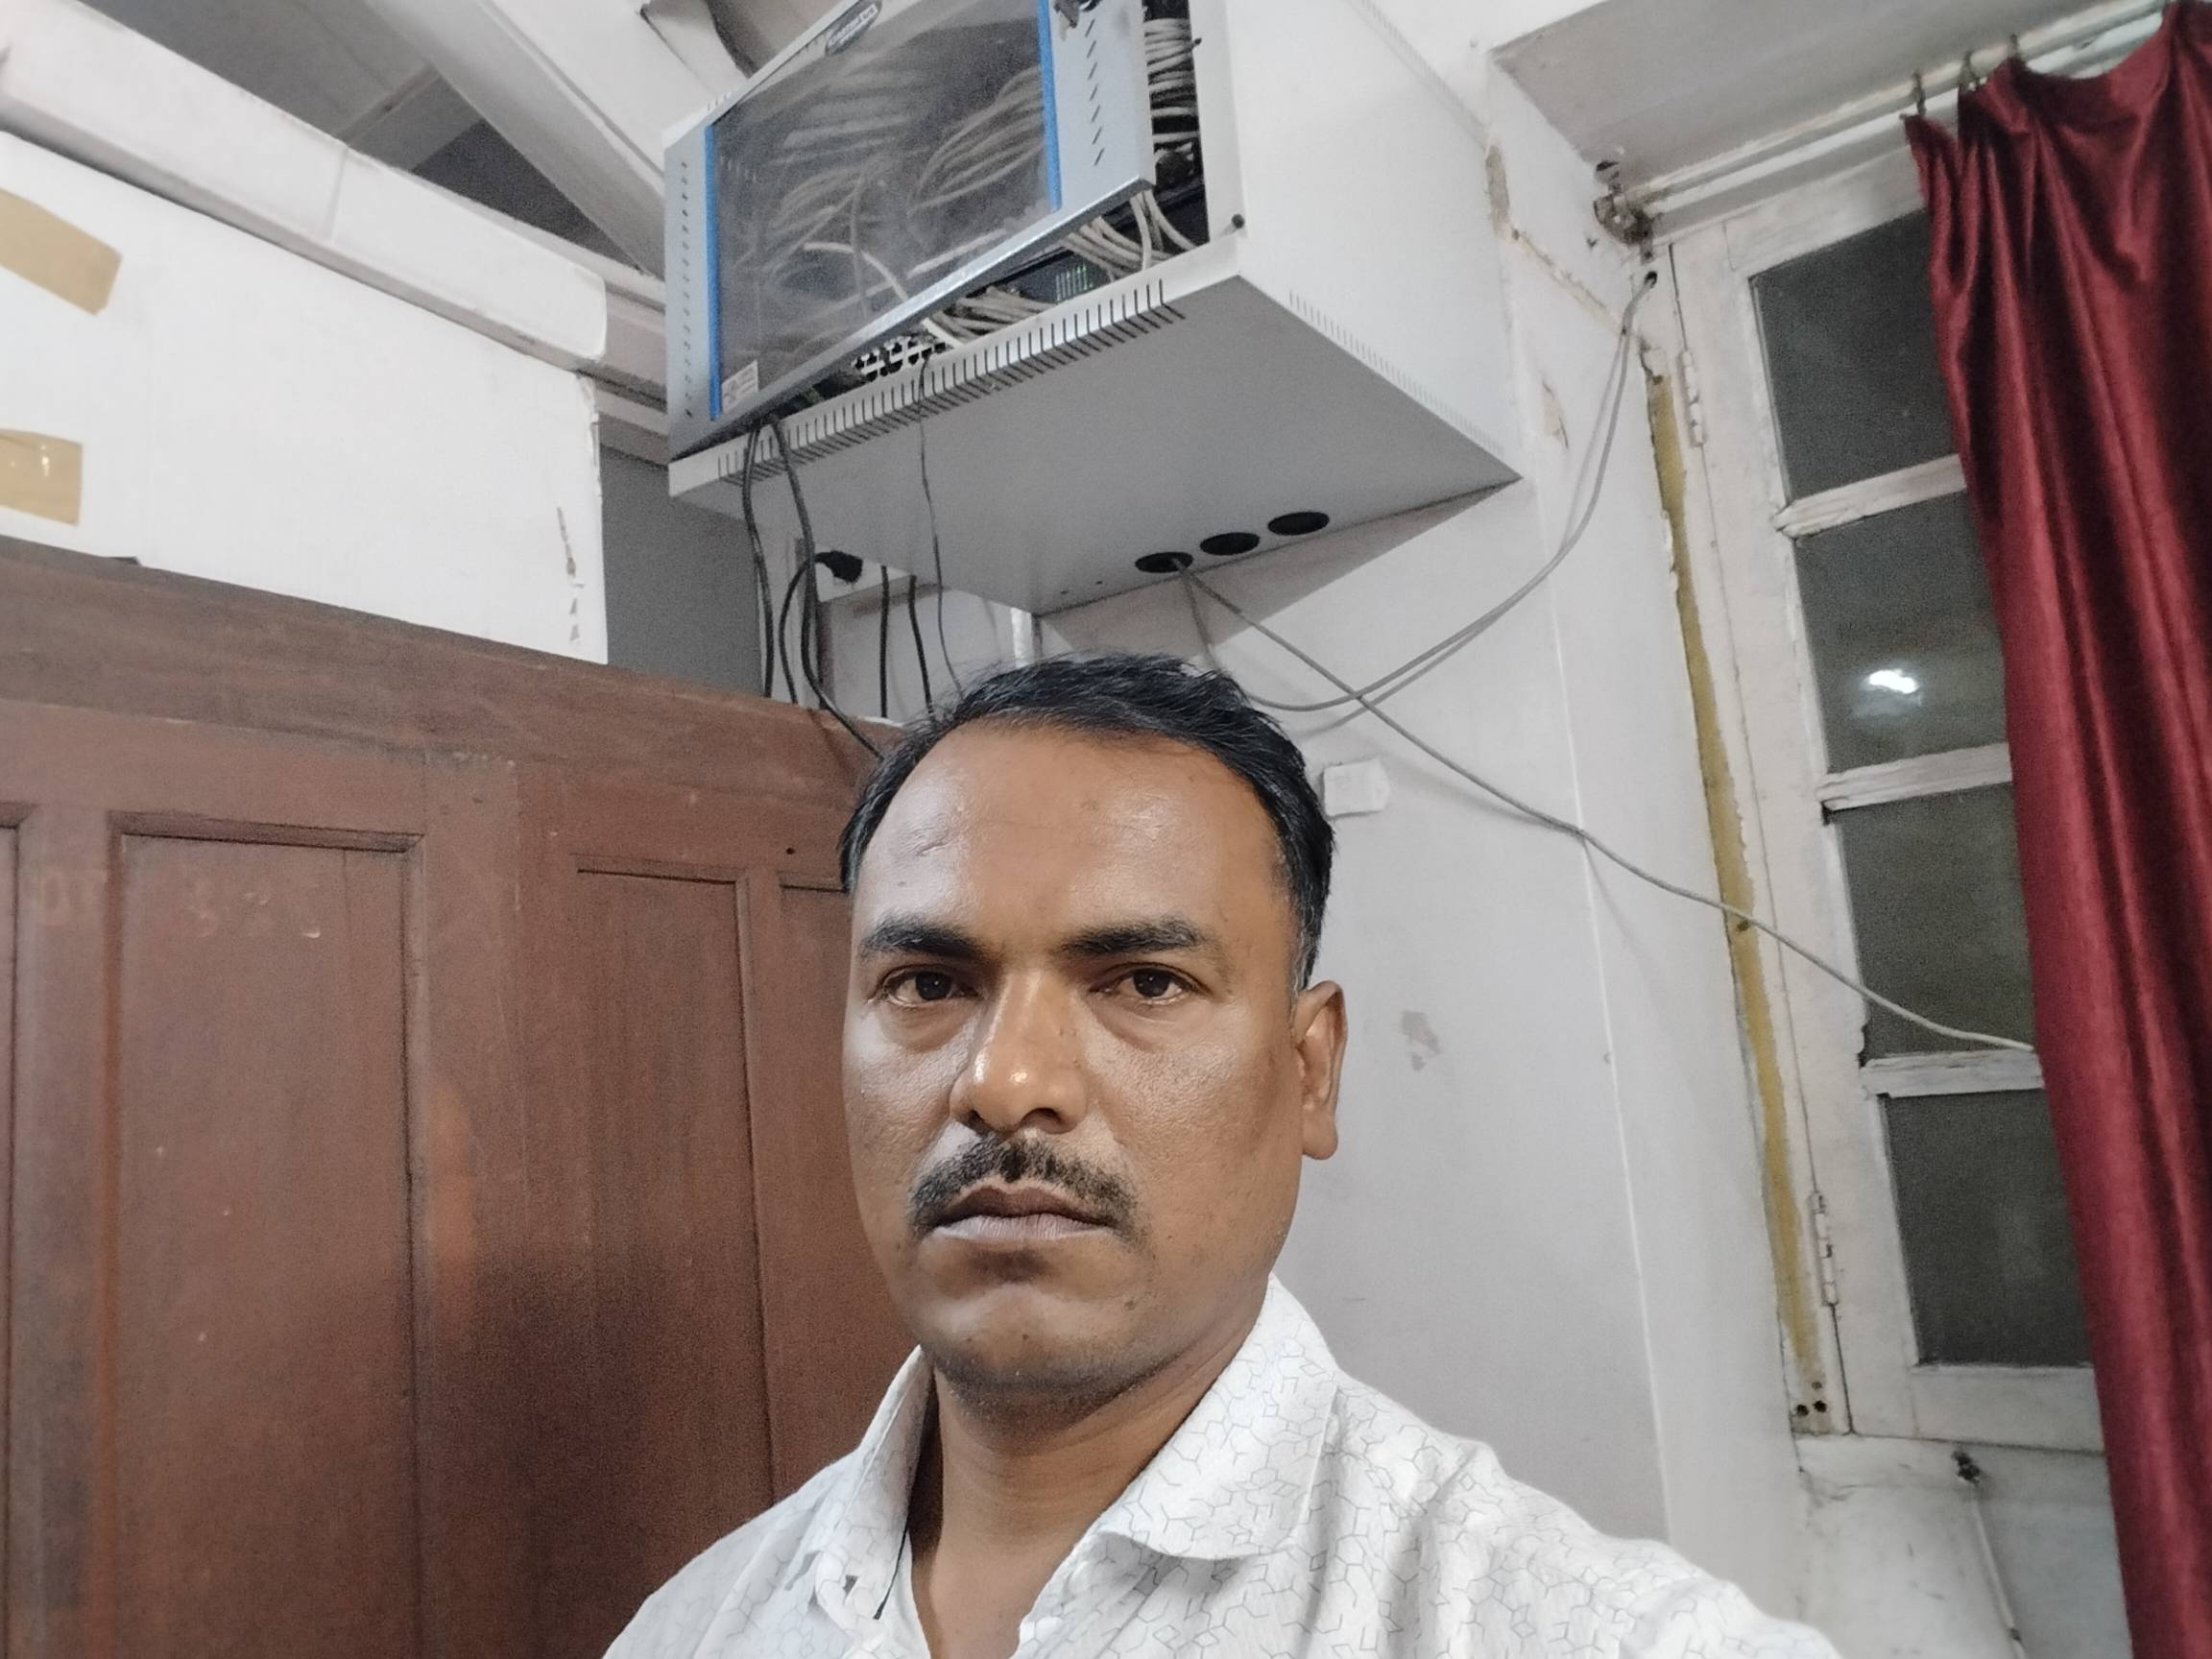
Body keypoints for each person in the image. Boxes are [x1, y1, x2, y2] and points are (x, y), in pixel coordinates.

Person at [607, 653, 1837, 1659]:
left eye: (1144, 982)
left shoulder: (1567, 1629)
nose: (1006, 1083)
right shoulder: (695, 1628)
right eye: (928, 983)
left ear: (1310, 1069)